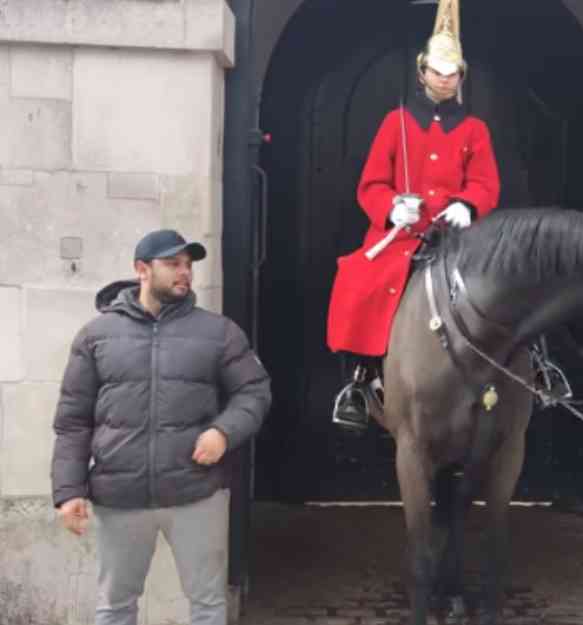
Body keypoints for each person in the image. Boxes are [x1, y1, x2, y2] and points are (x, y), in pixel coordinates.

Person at [51, 229, 272, 625]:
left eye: (188, 265)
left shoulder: (218, 333)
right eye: (173, 264)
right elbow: (73, 421)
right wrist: (68, 492)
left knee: (206, 604)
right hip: (119, 496)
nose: (184, 272)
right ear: (142, 270)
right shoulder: (96, 336)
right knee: (116, 606)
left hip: (196, 493)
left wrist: (223, 432)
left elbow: (254, 392)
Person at [326, 0, 500, 429]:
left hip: (456, 237)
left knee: (505, 283)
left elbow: (486, 182)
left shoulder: (475, 129)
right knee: (360, 281)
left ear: (461, 77)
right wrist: (391, 206)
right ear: (421, 72)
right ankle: (359, 379)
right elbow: (370, 184)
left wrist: (468, 204)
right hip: (401, 237)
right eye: (436, 72)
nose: (444, 80)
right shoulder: (395, 123)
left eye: (451, 73)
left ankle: (534, 368)